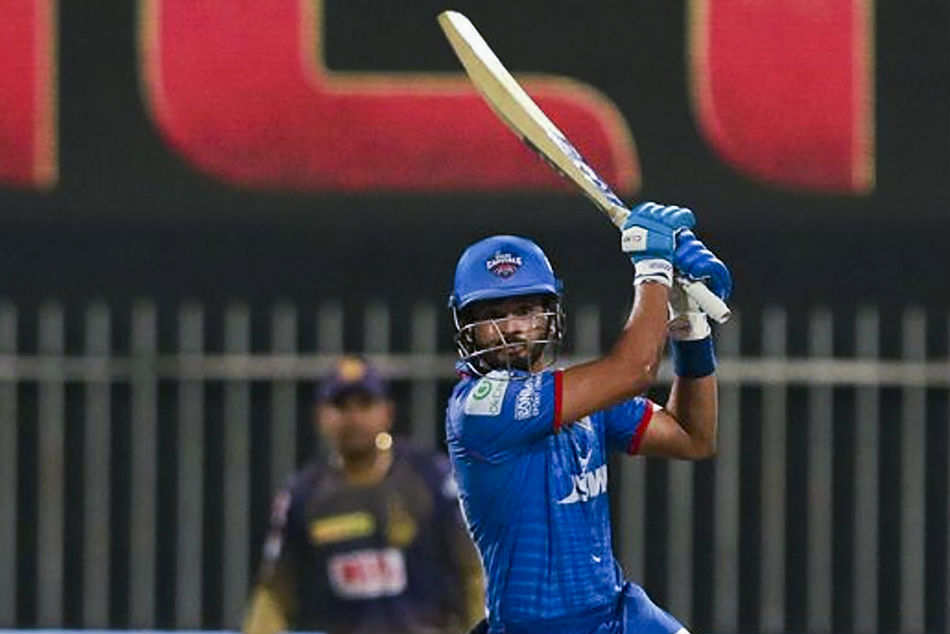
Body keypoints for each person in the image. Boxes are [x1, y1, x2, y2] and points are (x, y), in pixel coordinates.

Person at [445, 202, 732, 634]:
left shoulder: (577, 397)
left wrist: (689, 325)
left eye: (524, 311)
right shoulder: (479, 407)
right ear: (466, 326)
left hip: (617, 612)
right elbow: (635, 371)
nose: (512, 328)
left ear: (550, 315)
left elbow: (692, 437)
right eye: (493, 316)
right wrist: (652, 270)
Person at [243, 355, 485, 634]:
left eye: (365, 404)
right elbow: (274, 592)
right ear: (320, 416)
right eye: (341, 406)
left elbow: (474, 572)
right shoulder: (304, 494)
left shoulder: (431, 478)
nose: (353, 417)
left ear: (388, 412)